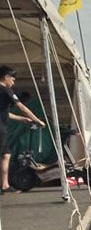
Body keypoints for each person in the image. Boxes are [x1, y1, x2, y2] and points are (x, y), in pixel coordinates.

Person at [0, 66, 45, 194]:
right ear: (6, 77)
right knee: (4, 154)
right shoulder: (6, 90)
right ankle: (4, 186)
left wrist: (22, 119)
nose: (13, 81)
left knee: (6, 154)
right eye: (12, 78)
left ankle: (4, 185)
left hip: (2, 126)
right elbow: (22, 107)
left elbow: (5, 113)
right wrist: (37, 120)